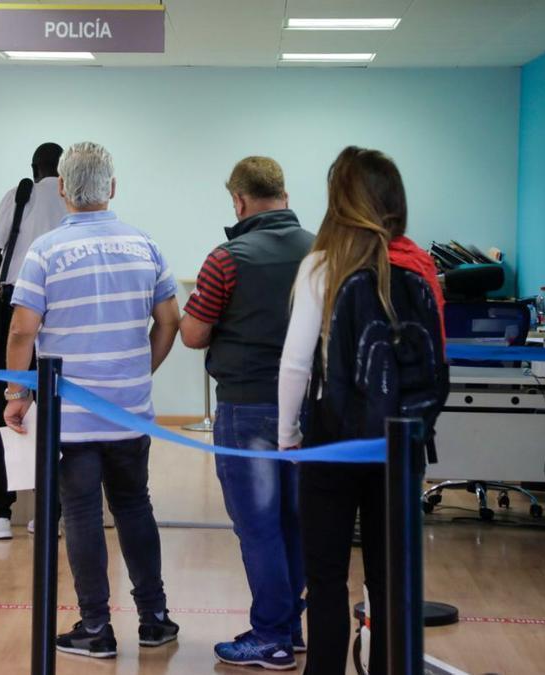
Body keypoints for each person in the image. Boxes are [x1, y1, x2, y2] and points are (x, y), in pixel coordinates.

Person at [2, 142, 181, 659]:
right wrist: (140, 370)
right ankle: (154, 619)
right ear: (113, 188)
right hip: (128, 411)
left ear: (62, 190)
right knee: (134, 507)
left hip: (72, 415)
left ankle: (96, 627)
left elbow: (21, 329)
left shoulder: (46, 252)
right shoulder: (144, 244)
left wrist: (17, 393)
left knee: (80, 515)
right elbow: (170, 320)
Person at [278, 147, 447, 674]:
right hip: (400, 442)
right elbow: (433, 358)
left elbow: (296, 364)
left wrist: (287, 435)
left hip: (334, 437)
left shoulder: (323, 265)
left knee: (326, 575)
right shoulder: (420, 266)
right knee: (390, 576)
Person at [180, 157, 314, 670]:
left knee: (258, 525)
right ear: (282, 192)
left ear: (238, 200)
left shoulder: (227, 259)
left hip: (247, 406)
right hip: (310, 408)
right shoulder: (322, 252)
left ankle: (272, 637)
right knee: (297, 521)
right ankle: (291, 624)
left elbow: (193, 335)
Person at [0, 142, 68, 540]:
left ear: (34, 167)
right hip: (61, 317)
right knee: (54, 416)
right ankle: (51, 514)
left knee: (7, 412)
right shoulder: (73, 201)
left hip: (16, 308)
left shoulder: (20, 194)